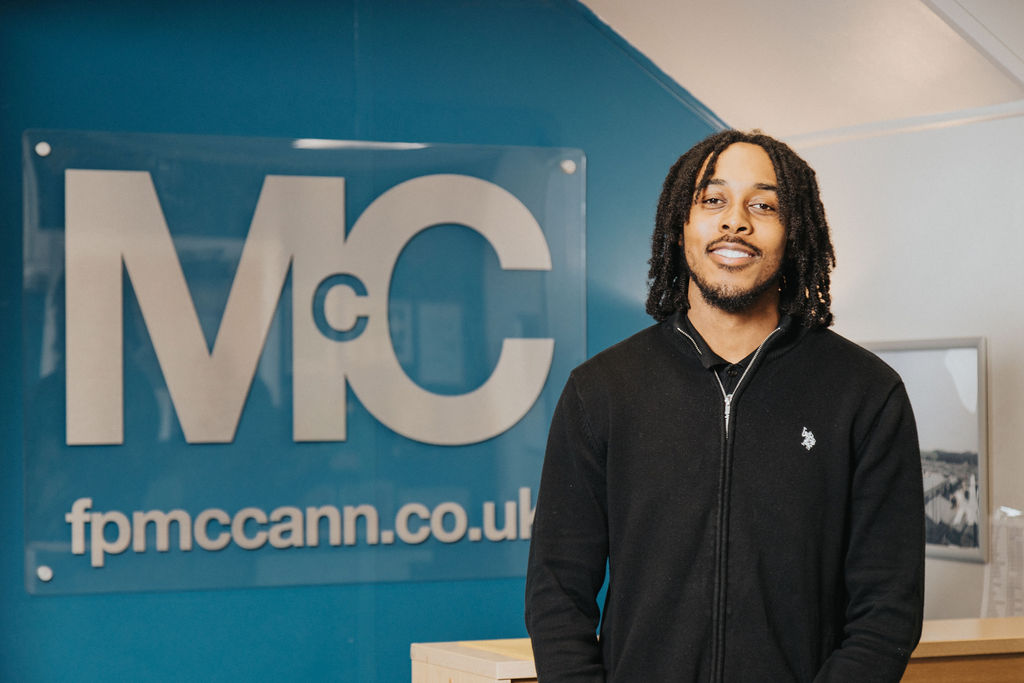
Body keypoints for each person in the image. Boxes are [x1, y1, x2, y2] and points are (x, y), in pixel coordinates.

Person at [525, 130, 925, 682]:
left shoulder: (865, 393)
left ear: (795, 234)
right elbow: (556, 592)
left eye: (763, 205)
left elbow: (887, 608)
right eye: (713, 200)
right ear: (680, 226)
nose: (735, 221)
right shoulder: (601, 391)